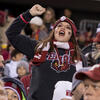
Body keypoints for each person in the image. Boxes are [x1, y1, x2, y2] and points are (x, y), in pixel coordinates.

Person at [6, 4, 87, 100]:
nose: (62, 28)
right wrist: (29, 14)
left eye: (67, 27)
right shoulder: (39, 48)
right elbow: (11, 34)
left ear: (72, 35)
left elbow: (83, 88)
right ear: (54, 31)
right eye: (59, 26)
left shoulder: (80, 57)